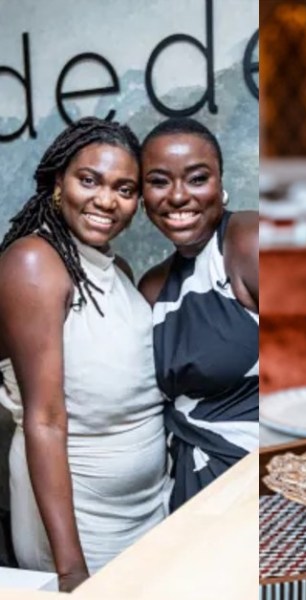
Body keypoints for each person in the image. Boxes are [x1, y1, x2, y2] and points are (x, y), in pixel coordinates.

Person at [0, 117, 169, 591]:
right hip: (81, 523)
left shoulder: (119, 268)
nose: (105, 200)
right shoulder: (33, 264)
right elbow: (45, 420)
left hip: (147, 508)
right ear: (59, 182)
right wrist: (71, 570)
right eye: (88, 180)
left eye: (124, 188)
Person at [138, 117, 259, 511]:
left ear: (221, 186)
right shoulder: (153, 287)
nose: (177, 196)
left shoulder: (248, 242)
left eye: (196, 179)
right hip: (188, 494)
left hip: (261, 488)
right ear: (142, 196)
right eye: (158, 181)